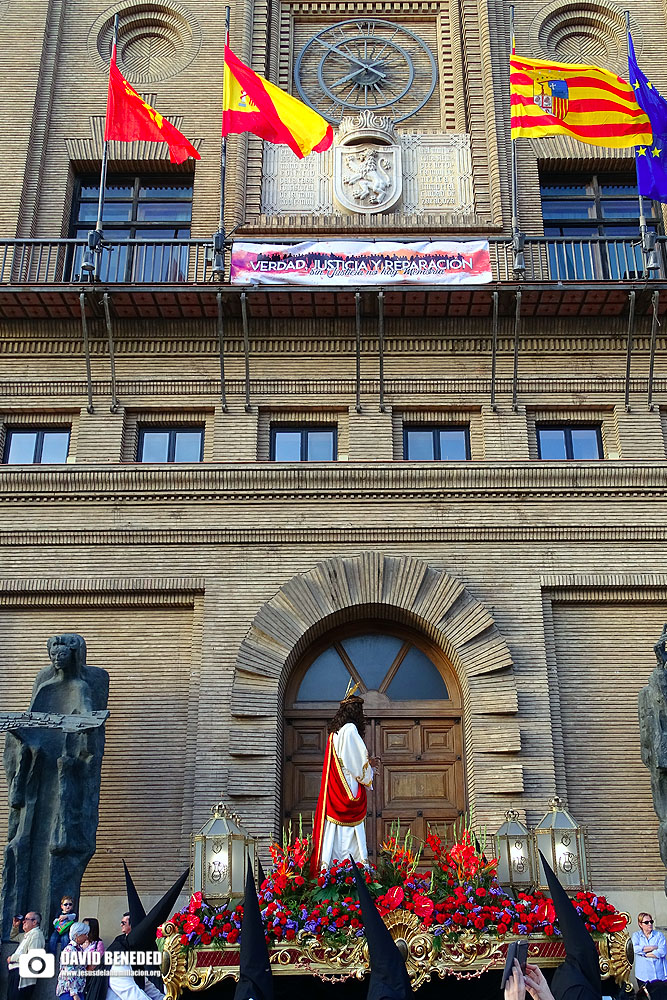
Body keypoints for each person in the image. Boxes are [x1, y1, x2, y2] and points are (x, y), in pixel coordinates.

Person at [310, 683, 379, 873]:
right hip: (347, 786)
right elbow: (357, 764)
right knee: (349, 832)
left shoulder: (335, 733)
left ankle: (331, 871)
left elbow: (346, 758)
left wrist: (366, 764)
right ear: (356, 712)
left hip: (336, 788)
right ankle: (350, 872)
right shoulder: (350, 730)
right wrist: (369, 770)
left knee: (335, 831)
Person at [6, 911, 46, 1000]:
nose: (23, 921)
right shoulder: (27, 935)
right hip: (16, 972)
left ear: (34, 922)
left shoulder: (36, 935)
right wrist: (16, 926)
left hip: (22, 975)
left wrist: (12, 958)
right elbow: (13, 937)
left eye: (26, 919)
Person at [56, 921, 90, 1000]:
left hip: (78, 989)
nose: (86, 937)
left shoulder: (79, 949)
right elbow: (69, 972)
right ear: (77, 935)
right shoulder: (70, 950)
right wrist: (74, 994)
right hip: (69, 991)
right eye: (84, 934)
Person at [632, 913, 667, 988]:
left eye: (651, 922)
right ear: (640, 924)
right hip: (643, 976)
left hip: (659, 975)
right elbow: (635, 949)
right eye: (646, 922)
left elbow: (662, 952)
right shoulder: (636, 936)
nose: (650, 924)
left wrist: (644, 954)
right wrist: (653, 947)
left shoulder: (659, 935)